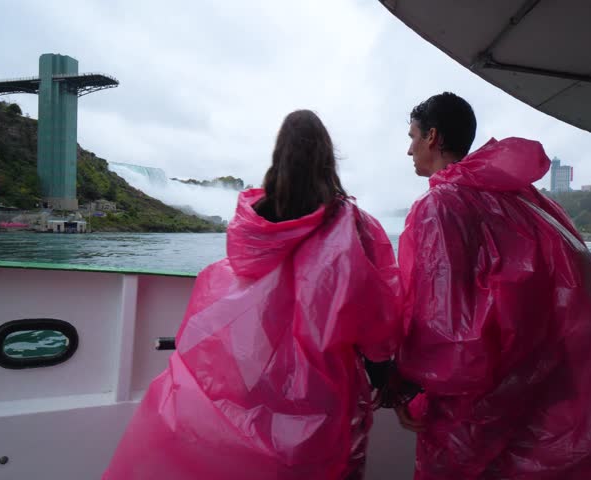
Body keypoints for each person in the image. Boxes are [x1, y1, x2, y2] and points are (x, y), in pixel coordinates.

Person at [103, 110, 402, 480]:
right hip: (322, 386)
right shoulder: (354, 225)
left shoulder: (252, 223)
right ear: (328, 157)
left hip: (252, 377)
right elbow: (375, 315)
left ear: (279, 155)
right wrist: (385, 372)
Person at [392, 92, 591, 479]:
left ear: (432, 138)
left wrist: (410, 388)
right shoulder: (521, 199)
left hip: (472, 405)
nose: (409, 150)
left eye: (413, 137)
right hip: (531, 387)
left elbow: (443, 327)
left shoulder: (439, 206)